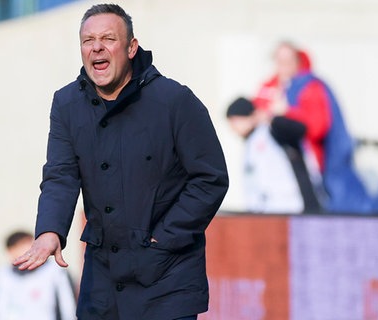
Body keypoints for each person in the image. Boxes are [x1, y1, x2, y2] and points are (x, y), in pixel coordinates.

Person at [13, 4, 229, 320]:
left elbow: (210, 178)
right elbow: (61, 174)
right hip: (102, 280)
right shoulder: (66, 104)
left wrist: (163, 238)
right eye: (88, 40)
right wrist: (50, 231)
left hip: (167, 275)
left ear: (131, 48)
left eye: (107, 38)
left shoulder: (174, 100)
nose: (96, 47)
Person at [253, 42, 373, 213]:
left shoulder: (310, 87)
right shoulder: (269, 88)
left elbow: (317, 127)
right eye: (279, 60)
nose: (283, 65)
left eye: (288, 60)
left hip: (304, 166)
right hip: (272, 168)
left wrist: (288, 112)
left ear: (297, 61)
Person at [226, 97, 322, 213]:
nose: (233, 127)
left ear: (251, 116)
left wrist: (270, 118)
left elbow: (300, 129)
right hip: (265, 211)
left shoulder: (272, 131)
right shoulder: (250, 143)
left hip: (289, 207)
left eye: (235, 120)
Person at [0, 231, 77, 320]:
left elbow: (67, 305)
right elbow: (0, 308)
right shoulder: (4, 274)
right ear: (11, 251)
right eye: (21, 246)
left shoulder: (55, 270)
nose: (27, 249)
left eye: (30, 243)